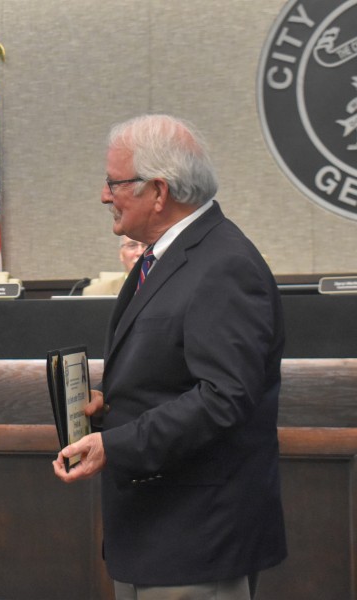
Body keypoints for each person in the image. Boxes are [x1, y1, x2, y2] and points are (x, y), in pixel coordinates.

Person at [53, 114, 286, 599]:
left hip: (196, 540)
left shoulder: (224, 264)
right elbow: (174, 379)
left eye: (114, 183)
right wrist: (113, 406)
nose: (103, 195)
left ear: (159, 192)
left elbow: (223, 399)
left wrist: (113, 446)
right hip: (157, 535)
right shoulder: (171, 258)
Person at [82, 235, 147, 296]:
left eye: (146, 245)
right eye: (132, 245)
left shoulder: (157, 292)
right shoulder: (94, 293)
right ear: (121, 254)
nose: (140, 252)